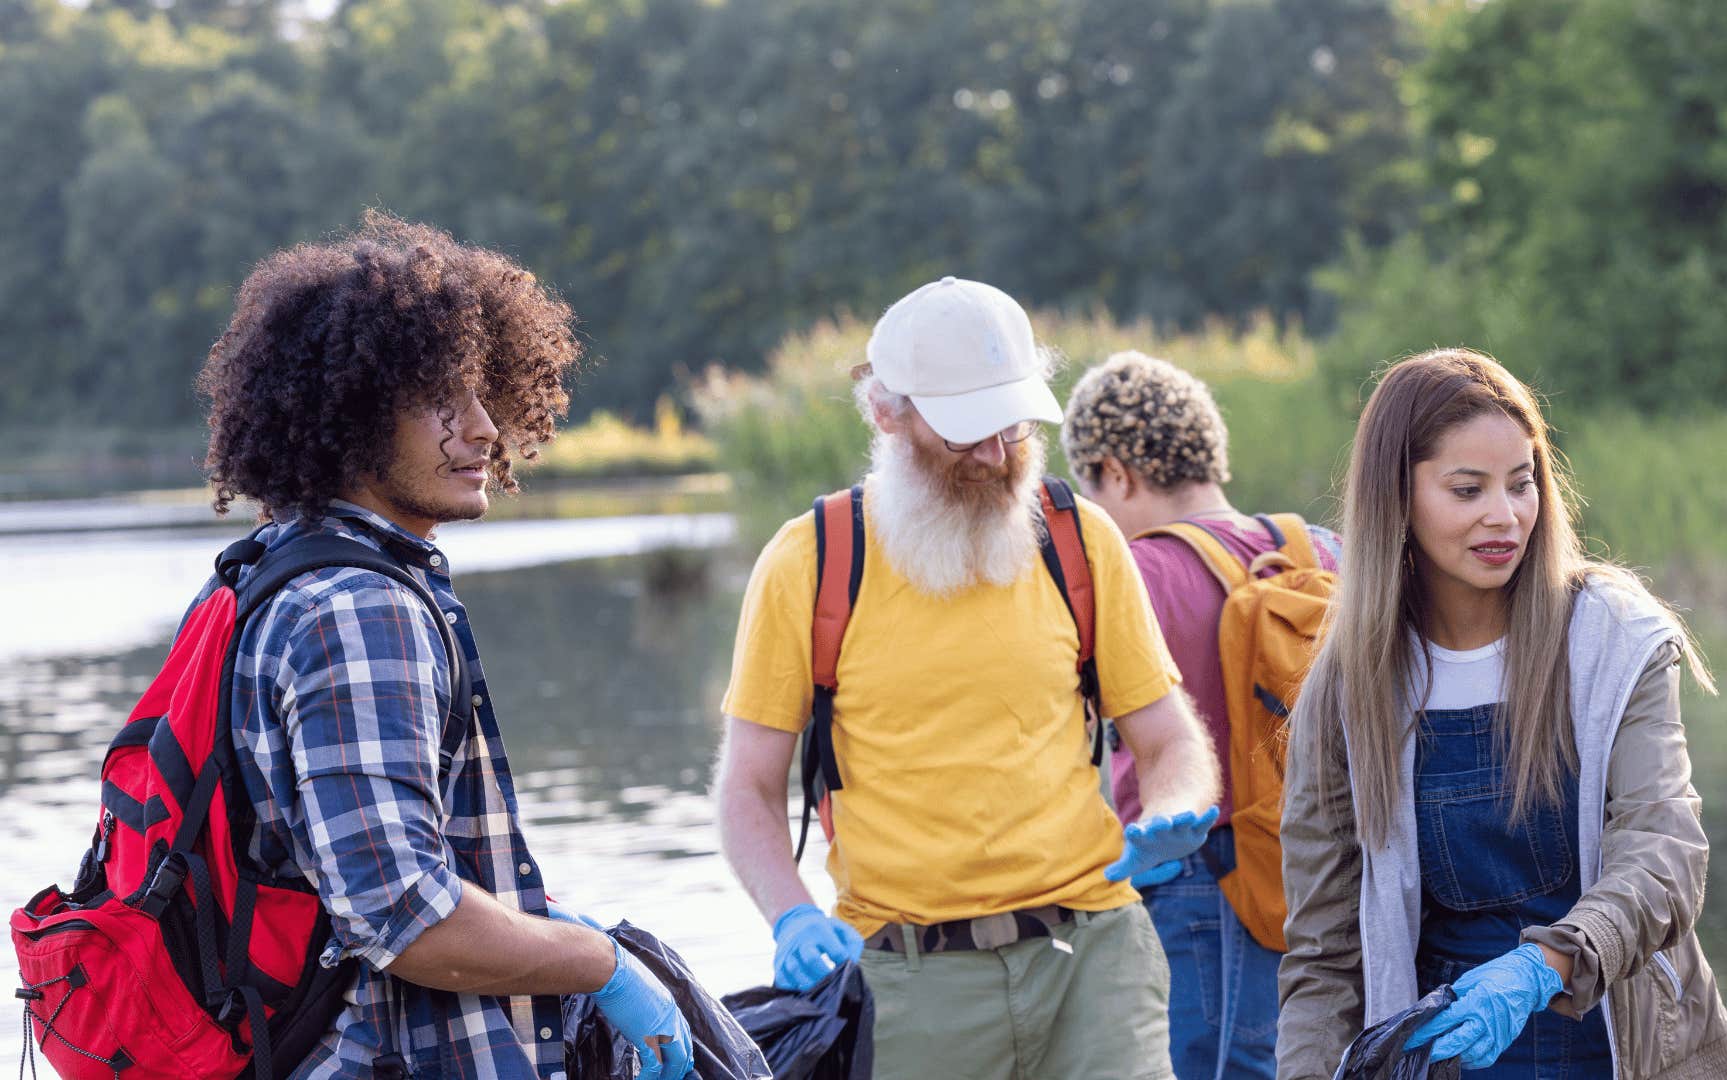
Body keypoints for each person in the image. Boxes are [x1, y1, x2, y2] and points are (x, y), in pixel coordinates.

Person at [193, 212, 692, 1078]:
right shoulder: (354, 608)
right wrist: (606, 968)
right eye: (440, 400)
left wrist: (544, 925)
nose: (484, 428)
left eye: (482, 392)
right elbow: (404, 915)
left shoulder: (269, 567)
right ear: (348, 415)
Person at [713, 277, 1223, 1080]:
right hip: (906, 984)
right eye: (964, 434)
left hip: (1094, 959)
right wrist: (791, 916)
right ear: (887, 412)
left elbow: (1169, 739)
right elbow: (747, 786)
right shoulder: (811, 562)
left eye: (1014, 426)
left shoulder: (1080, 541)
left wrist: (1173, 809)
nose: (995, 455)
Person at [1274, 349, 1727, 1078]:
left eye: (1522, 484)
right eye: (1467, 489)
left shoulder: (1616, 643)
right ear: (1396, 499)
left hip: (1621, 1042)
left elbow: (1666, 853)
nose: (1505, 516)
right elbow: (1322, 955)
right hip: (1452, 1057)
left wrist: (1542, 965)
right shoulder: (1346, 690)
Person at [1061, 351, 1340, 1080]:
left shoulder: (1133, 575)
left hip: (1195, 881)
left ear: (1115, 472)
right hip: (1321, 871)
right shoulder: (1318, 551)